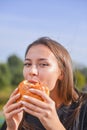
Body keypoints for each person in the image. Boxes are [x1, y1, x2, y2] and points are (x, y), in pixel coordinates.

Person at [1, 37, 87, 130]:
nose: (32, 71)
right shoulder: (19, 112)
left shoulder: (84, 108)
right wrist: (11, 128)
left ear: (62, 73)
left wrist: (55, 126)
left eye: (43, 64)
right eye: (27, 64)